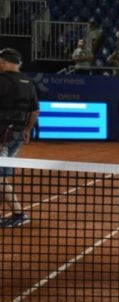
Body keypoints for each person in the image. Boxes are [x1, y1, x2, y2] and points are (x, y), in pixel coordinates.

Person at [0, 48, 38, 228]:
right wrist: (28, 130)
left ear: (4, 62)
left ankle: (18, 213)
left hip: (2, 136)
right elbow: (34, 110)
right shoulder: (28, 82)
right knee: (3, 175)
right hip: (17, 135)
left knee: (0, 177)